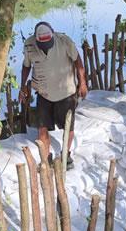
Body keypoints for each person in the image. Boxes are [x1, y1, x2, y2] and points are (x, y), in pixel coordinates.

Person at [19, 21, 87, 162]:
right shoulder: (29, 45)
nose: (45, 46)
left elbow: (78, 61)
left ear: (53, 34)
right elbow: (26, 66)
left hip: (66, 92)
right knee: (42, 128)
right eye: (42, 44)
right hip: (44, 92)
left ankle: (66, 155)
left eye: (48, 43)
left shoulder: (64, 41)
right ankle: (46, 158)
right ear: (36, 39)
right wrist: (23, 85)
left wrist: (82, 83)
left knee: (68, 127)